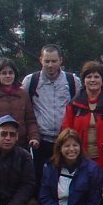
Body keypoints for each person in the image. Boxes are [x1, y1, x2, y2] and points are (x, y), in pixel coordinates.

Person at [21, 44, 81, 177]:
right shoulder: (31, 81)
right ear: (40, 60)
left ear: (61, 60)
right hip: (40, 142)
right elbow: (21, 106)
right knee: (39, 178)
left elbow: (83, 104)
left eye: (54, 61)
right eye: (47, 61)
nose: (50, 65)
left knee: (64, 178)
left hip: (65, 141)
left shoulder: (72, 81)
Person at [60, 61, 103, 170]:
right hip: (79, 158)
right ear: (83, 80)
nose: (93, 80)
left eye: (96, 77)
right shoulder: (74, 104)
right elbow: (66, 130)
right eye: (89, 77)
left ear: (102, 80)